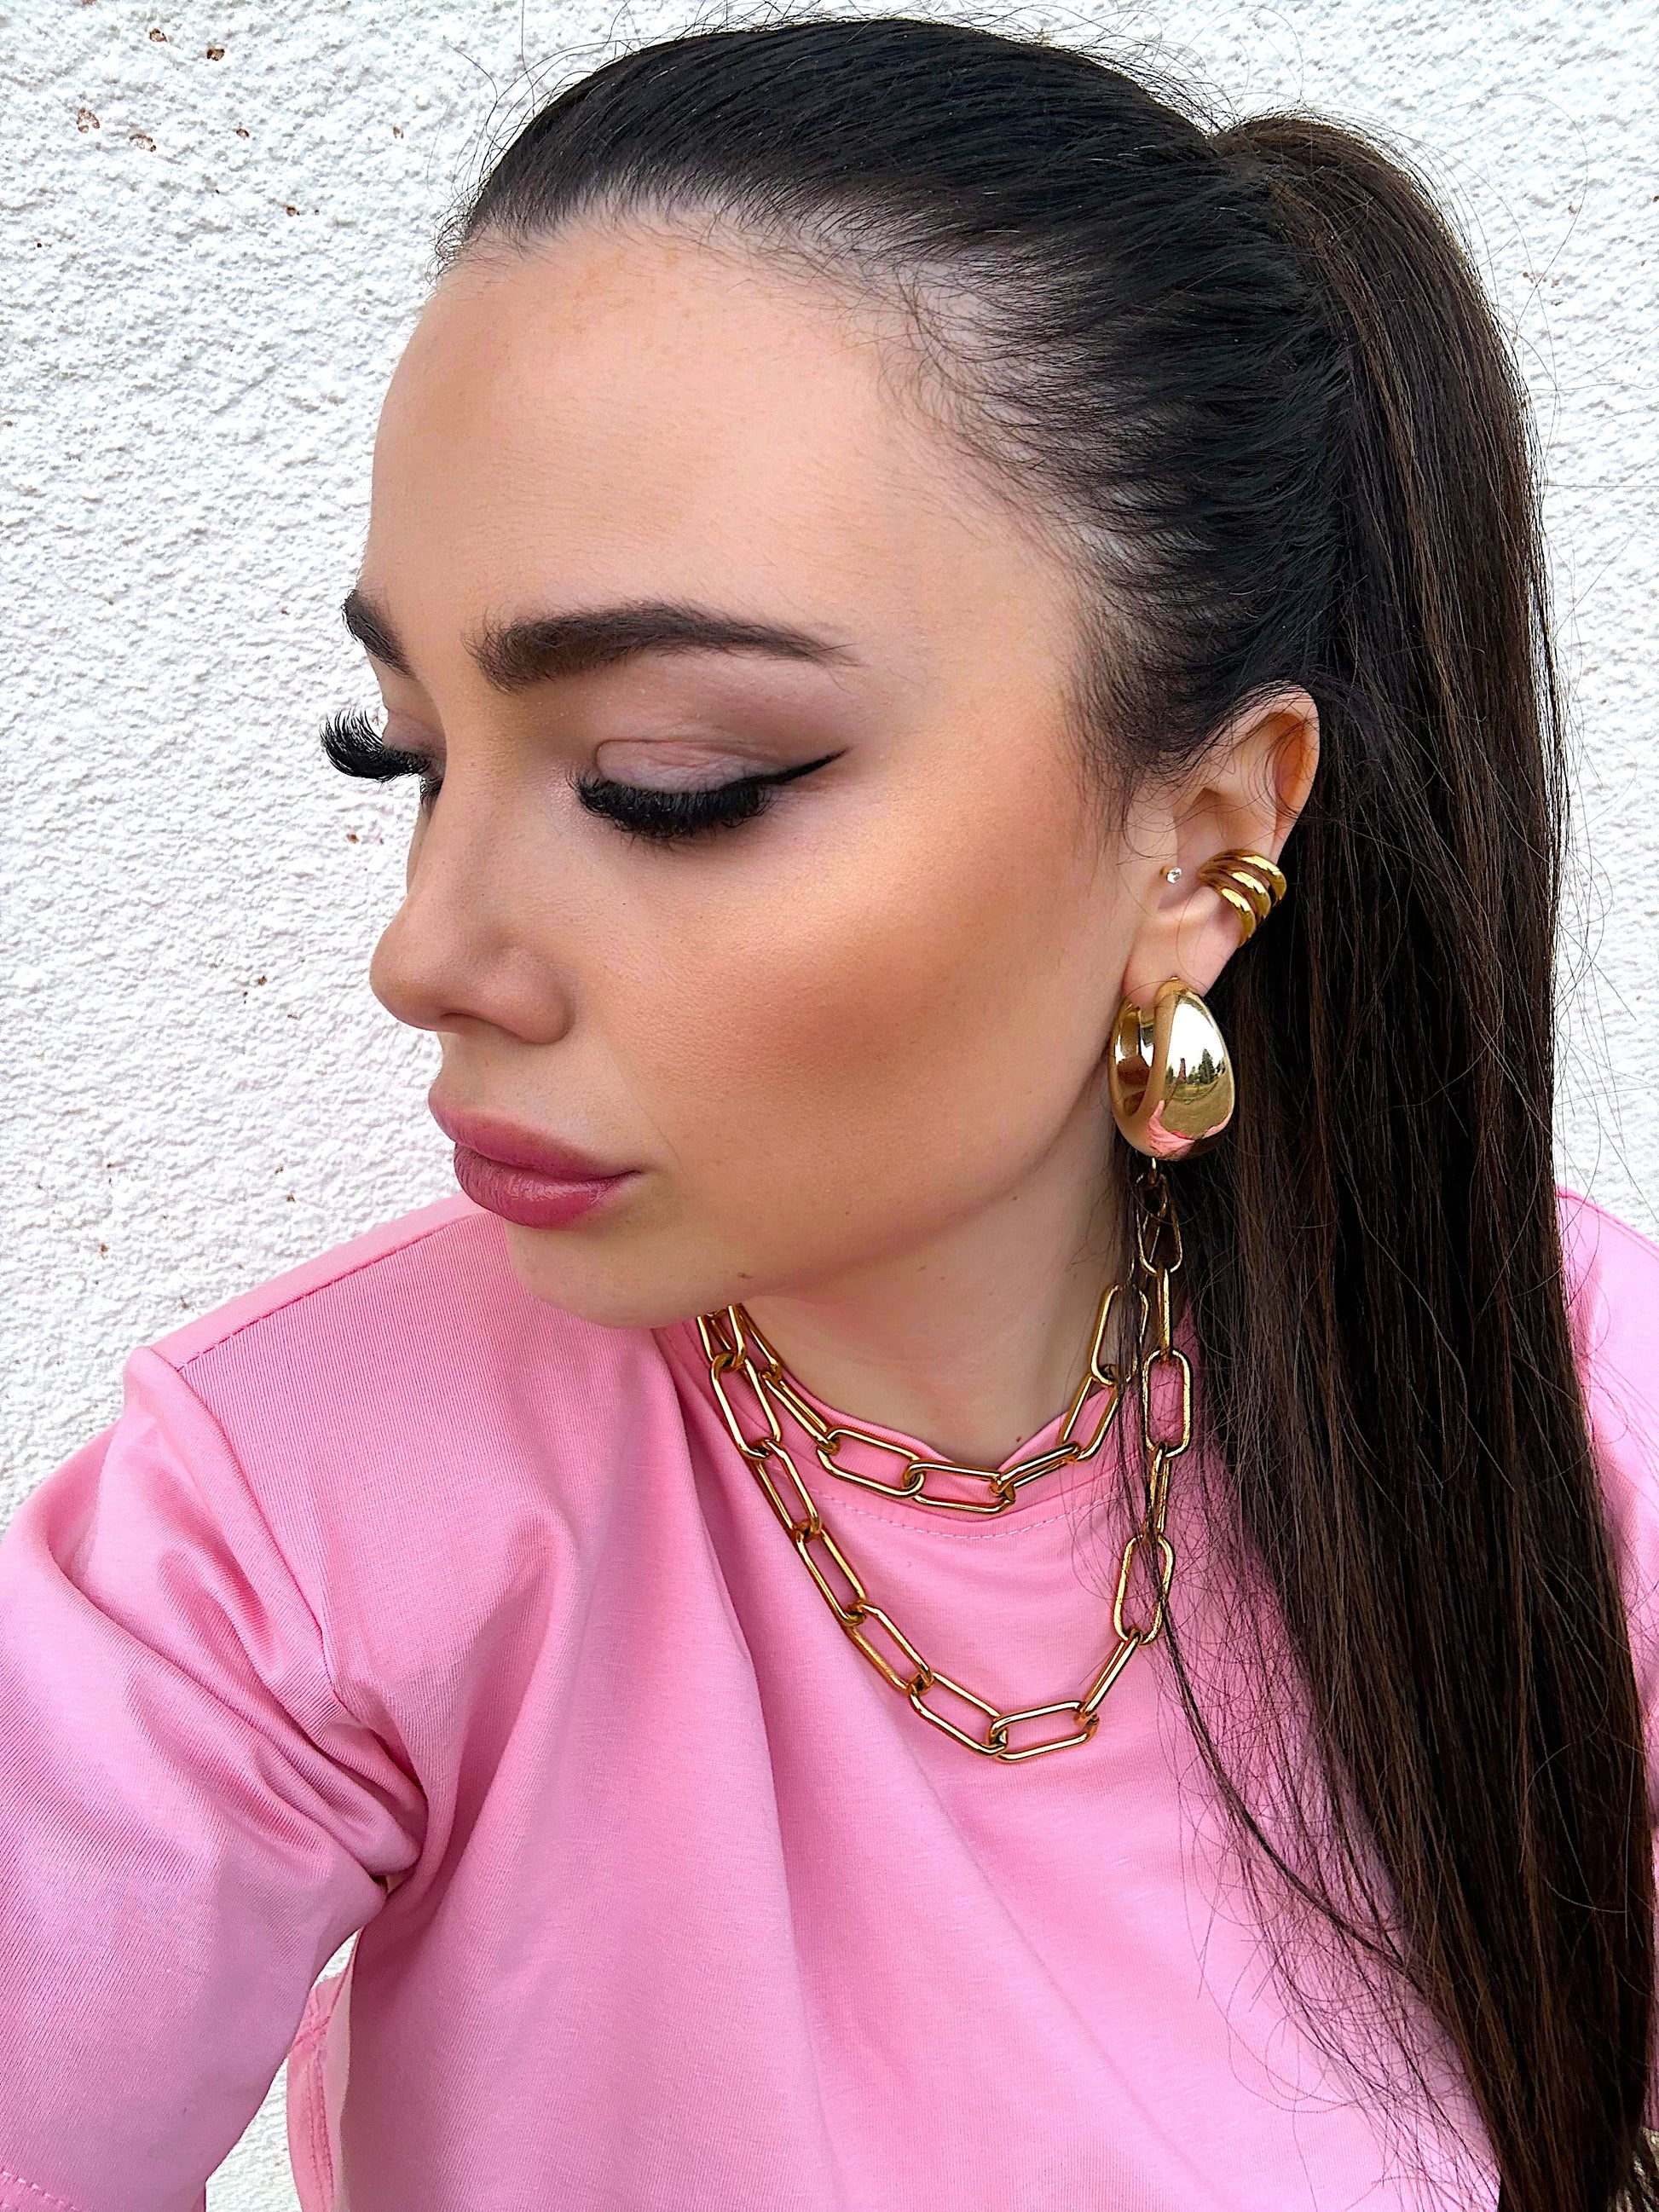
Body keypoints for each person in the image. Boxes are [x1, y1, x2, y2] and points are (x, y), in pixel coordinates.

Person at [3, 15, 1656, 2210]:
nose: (429, 948)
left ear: (1199, 842)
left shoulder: (1573, 1406)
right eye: (407, 755)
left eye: (669, 780)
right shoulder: (285, 1526)